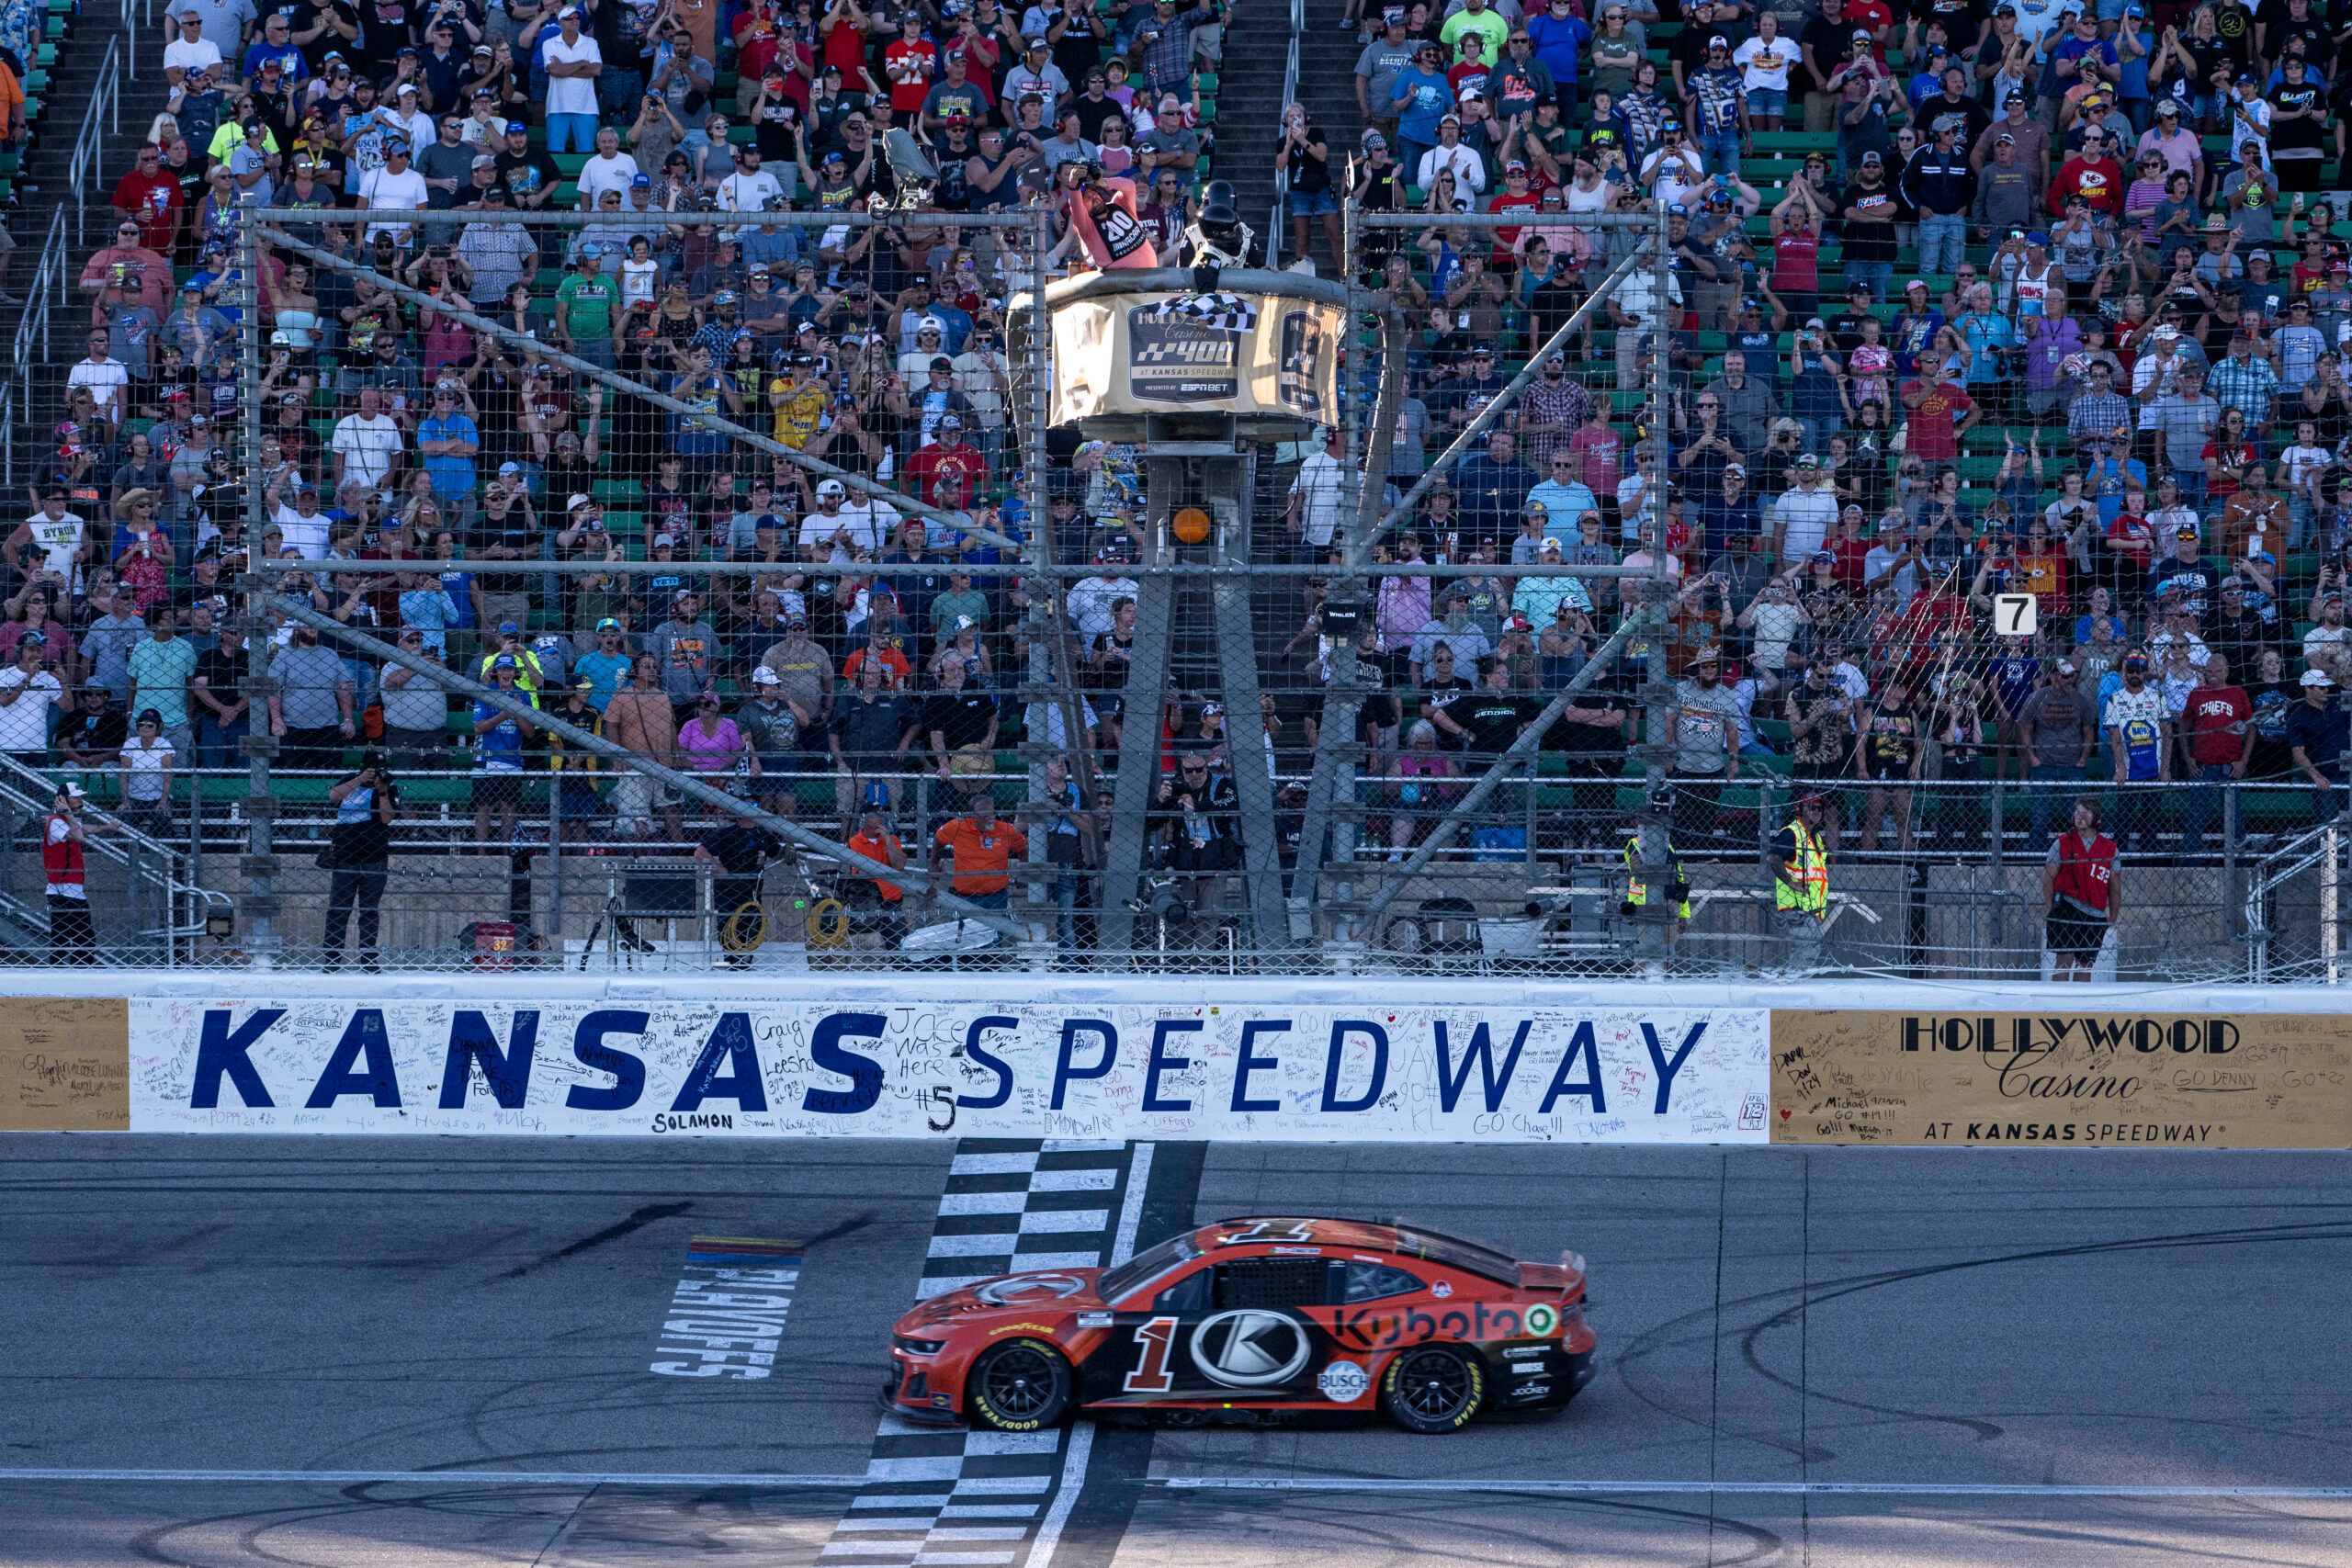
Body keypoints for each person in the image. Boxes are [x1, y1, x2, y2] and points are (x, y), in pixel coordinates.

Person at [321, 750, 397, 972]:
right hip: (345, 856)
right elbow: (333, 796)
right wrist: (359, 780)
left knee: (369, 911)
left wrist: (381, 790)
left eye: (378, 769)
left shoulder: (389, 786)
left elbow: (387, 818)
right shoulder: (349, 779)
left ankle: (368, 959)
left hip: (375, 857)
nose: (375, 773)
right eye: (371, 768)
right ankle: (332, 959)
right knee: (338, 909)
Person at [2044, 796, 2118, 982]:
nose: (2080, 816)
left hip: (2095, 912)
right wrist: (2050, 908)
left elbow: (2115, 885)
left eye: (2086, 813)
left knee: (2085, 963)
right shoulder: (2062, 842)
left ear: (2097, 818)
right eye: (2077, 812)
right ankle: (2058, 998)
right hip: (2067, 906)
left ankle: (2079, 998)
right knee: (2064, 958)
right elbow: (2048, 878)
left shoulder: (2110, 849)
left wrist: (2113, 914)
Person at [696, 807, 782, 966]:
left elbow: (778, 853)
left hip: (753, 889)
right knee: (728, 923)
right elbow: (700, 852)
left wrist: (789, 850)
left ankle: (745, 957)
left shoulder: (763, 835)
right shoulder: (726, 833)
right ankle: (732, 957)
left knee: (753, 923)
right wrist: (719, 868)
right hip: (728, 888)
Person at [929, 790, 1026, 910]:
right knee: (963, 923)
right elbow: (939, 838)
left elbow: (1024, 848)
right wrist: (934, 863)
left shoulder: (1006, 829)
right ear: (973, 817)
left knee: (997, 922)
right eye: (985, 815)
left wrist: (1023, 872)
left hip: (996, 897)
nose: (991, 818)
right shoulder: (957, 827)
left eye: (992, 813)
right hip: (964, 897)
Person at [1770, 789, 1831, 975]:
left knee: (1806, 950)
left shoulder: (1815, 837)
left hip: (1811, 907)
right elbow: (1773, 858)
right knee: (1807, 949)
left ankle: (1791, 980)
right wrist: (1790, 882)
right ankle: (1792, 982)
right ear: (1800, 809)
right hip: (1795, 906)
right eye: (1812, 807)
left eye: (1820, 808)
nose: (1817, 811)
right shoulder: (1792, 834)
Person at [2286, 668, 2350, 824]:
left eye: (2326, 687)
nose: (2326, 690)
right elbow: (2298, 752)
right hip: (2324, 774)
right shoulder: (2297, 717)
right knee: (2326, 823)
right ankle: (2328, 841)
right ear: (2307, 689)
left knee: (2349, 819)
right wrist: (2317, 776)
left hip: (2348, 770)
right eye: (2321, 687)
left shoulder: (2338, 704)